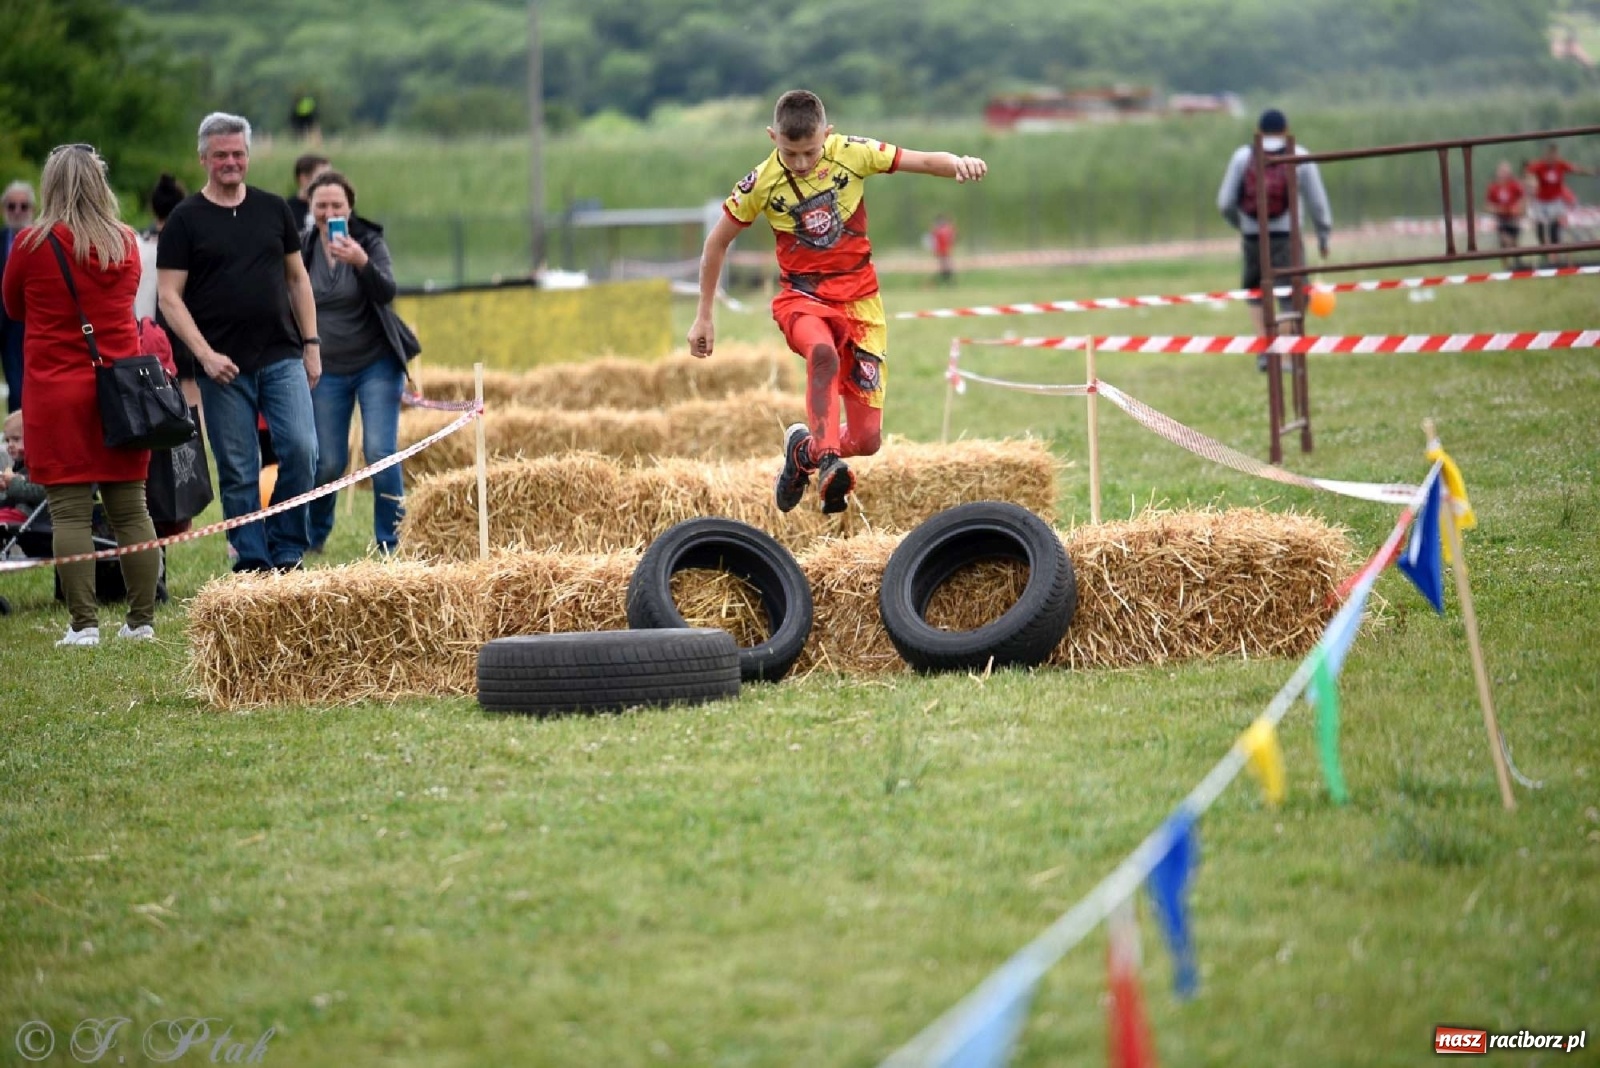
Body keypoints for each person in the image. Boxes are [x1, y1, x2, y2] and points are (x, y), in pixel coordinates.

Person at [688, 89, 987, 514]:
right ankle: (828, 461)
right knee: (823, 354)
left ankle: (804, 454)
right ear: (773, 137)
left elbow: (918, 160)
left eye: (810, 151)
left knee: (866, 441)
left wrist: (958, 163)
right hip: (802, 298)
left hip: (861, 305)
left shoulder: (852, 152)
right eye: (790, 153)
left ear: (826, 134)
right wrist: (704, 316)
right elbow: (716, 244)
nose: (802, 163)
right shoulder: (760, 183)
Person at [0, 144, 162, 645]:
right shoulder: (125, 243)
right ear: (100, 183)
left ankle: (84, 626)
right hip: (121, 394)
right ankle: (140, 622)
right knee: (132, 510)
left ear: (50, 186)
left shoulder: (30, 244)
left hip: (55, 395)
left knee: (68, 511)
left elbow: (11, 305)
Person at [157, 111, 322, 574]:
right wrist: (204, 356)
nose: (230, 162)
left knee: (303, 451)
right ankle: (251, 560)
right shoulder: (185, 221)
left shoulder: (274, 209)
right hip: (222, 366)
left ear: (248, 156)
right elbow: (169, 296)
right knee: (237, 466)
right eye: (220, 155)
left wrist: (311, 345)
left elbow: (298, 280)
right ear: (204, 158)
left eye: (238, 154)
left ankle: (288, 549)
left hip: (282, 355)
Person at [301, 171, 418, 554]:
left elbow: (387, 290)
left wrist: (362, 262)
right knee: (328, 462)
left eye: (337, 205)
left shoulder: (369, 240)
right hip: (327, 369)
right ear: (311, 207)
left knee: (380, 451)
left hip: (375, 364)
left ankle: (391, 539)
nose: (329, 211)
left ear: (350, 208)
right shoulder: (302, 249)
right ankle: (315, 535)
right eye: (322, 205)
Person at [1216, 108, 1333, 366]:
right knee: (1296, 296)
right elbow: (1318, 203)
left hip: (1252, 238)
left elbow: (1224, 202)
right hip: (1286, 236)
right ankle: (1278, 348)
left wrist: (1242, 224)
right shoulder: (1299, 155)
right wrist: (1324, 236)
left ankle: (1265, 350)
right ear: (1286, 130)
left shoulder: (1243, 156)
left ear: (1258, 131)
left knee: (1256, 292)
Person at [1523, 142, 1594, 264]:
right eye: (1550, 155)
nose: (1552, 158)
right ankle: (1544, 251)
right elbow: (1528, 173)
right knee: (1540, 227)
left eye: (1554, 155)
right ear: (1546, 155)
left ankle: (1555, 255)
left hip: (1555, 201)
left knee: (1554, 227)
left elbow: (1576, 169)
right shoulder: (1539, 166)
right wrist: (1530, 184)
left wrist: (1591, 172)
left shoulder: (1561, 164)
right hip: (1541, 201)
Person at [1, 180, 35, 412]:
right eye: (11, 206)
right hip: (4, 321)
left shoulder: (40, 241)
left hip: (30, 322)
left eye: (23, 206)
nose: (17, 212)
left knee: (23, 383)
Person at [1484, 161, 1527, 269]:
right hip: (1501, 219)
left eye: (1506, 172)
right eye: (1502, 172)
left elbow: (1523, 198)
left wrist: (1519, 208)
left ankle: (1518, 264)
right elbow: (1487, 205)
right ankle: (1505, 266)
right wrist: (1498, 209)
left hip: (1513, 218)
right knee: (1504, 241)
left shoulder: (1514, 185)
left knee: (1514, 242)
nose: (1504, 174)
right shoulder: (1493, 187)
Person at [285, 153, 330, 234]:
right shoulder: (286, 210)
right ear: (304, 179)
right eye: (322, 178)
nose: (329, 183)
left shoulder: (337, 207)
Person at [928, 214, 956, 284]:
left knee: (946, 265)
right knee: (945, 265)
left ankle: (947, 281)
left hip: (944, 250)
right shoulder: (940, 230)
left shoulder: (945, 229)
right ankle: (946, 281)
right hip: (942, 250)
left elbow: (951, 238)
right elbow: (933, 240)